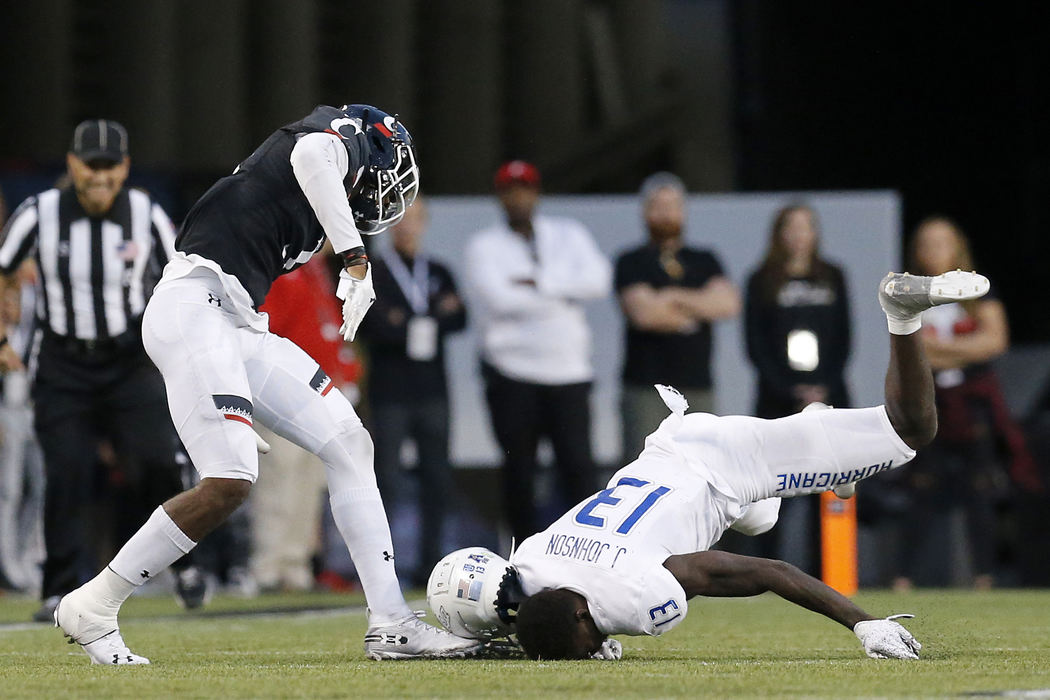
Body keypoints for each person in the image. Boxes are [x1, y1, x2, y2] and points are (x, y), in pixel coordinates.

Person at [49, 104, 481, 664]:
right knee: (230, 481)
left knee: (351, 443)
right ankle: (94, 604)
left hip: (237, 323)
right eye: (385, 178)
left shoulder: (313, 174)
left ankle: (392, 622)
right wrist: (355, 259)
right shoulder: (321, 144)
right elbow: (312, 156)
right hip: (194, 307)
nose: (385, 196)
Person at [427, 270, 991, 660]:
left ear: (580, 620)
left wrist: (862, 622)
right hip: (673, 453)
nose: (594, 650)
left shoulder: (631, 599)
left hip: (730, 465)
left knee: (912, 430)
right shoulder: (530, 560)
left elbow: (771, 573)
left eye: (587, 642)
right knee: (762, 519)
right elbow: (539, 616)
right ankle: (816, 441)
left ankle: (901, 313)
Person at [0, 120, 207, 620]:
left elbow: (182, 274)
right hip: (62, 362)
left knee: (156, 461)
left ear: (125, 168)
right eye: (89, 165)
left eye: (108, 166)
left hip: (129, 360)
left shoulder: (145, 213)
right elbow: (4, 268)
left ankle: (183, 564)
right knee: (67, 469)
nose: (99, 176)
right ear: (71, 165)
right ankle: (60, 589)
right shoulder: (40, 213)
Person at [465, 160, 612, 544]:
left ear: (537, 193)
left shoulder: (568, 234)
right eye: (511, 190)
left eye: (525, 189)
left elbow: (598, 280)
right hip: (512, 373)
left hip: (569, 372)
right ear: (500, 197)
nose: (519, 197)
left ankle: (588, 550)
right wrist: (562, 293)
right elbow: (499, 300)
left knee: (578, 468)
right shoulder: (484, 245)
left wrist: (538, 282)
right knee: (519, 472)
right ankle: (525, 557)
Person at [888, 217, 1038, 590]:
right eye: (927, 243)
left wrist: (939, 350)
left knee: (980, 489)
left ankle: (984, 576)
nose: (934, 251)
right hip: (929, 404)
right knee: (921, 488)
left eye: (943, 242)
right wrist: (960, 352)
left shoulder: (978, 291)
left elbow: (994, 341)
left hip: (972, 407)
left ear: (958, 247)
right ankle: (903, 577)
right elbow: (907, 351)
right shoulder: (909, 291)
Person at [357, 196, 467, 585]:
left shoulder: (437, 269)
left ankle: (430, 563)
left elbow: (461, 317)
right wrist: (430, 315)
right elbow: (371, 324)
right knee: (386, 477)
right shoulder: (376, 273)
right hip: (390, 392)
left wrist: (405, 319)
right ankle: (380, 565)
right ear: (388, 224)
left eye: (413, 218)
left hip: (433, 391)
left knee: (437, 476)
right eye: (399, 220)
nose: (406, 226)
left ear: (424, 223)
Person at [739, 204, 851, 573]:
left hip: (829, 398)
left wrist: (823, 387)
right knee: (774, 489)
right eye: (791, 227)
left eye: (806, 227)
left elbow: (844, 339)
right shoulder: (762, 279)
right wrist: (791, 388)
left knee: (828, 485)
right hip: (777, 400)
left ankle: (829, 573)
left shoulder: (833, 276)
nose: (799, 235)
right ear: (779, 233)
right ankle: (767, 573)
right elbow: (755, 345)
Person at [251, 247, 361, 593]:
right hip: (283, 395)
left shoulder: (313, 269)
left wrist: (342, 372)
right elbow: (267, 333)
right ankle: (268, 567)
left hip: (315, 398)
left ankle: (295, 565)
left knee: (306, 487)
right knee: (279, 482)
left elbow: (323, 328)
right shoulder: (280, 268)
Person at [615, 172, 740, 462]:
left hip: (697, 383)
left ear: (683, 210)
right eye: (658, 206)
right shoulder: (631, 261)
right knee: (644, 465)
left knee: (704, 467)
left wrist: (671, 297)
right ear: (645, 211)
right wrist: (698, 304)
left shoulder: (704, 259)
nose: (665, 214)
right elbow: (645, 314)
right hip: (646, 387)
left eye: (672, 206)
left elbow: (727, 305)